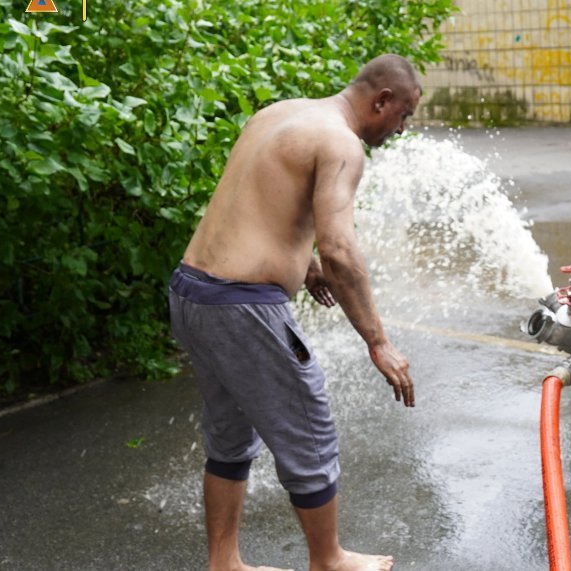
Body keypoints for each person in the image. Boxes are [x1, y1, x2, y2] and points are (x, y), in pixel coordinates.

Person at [169, 54, 421, 571]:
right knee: (309, 429)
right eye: (404, 116)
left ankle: (225, 563)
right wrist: (378, 341)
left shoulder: (281, 113)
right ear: (382, 101)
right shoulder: (342, 144)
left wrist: (300, 264)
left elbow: (254, 205)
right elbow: (340, 249)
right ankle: (328, 559)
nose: (401, 128)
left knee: (230, 434)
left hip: (192, 291)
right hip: (242, 307)